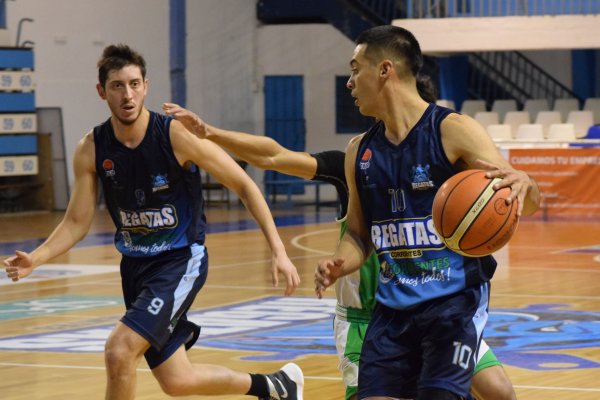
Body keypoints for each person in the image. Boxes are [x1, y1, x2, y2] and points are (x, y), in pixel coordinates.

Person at [3, 44, 304, 400]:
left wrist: (279, 250)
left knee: (119, 350)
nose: (127, 94)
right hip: (135, 268)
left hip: (180, 261)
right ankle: (276, 386)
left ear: (146, 86)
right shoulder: (92, 148)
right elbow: (76, 222)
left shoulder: (174, 135)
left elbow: (244, 185)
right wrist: (35, 259)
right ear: (102, 91)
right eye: (117, 85)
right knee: (178, 381)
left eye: (134, 84)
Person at [161, 103, 517, 400]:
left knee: (498, 391)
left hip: (432, 310)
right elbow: (273, 155)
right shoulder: (357, 162)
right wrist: (210, 133)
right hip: (367, 321)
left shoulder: (442, 171)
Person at [314, 25, 540, 400]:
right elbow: (358, 234)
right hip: (391, 313)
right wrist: (339, 262)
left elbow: (522, 200)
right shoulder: (359, 152)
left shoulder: (453, 131)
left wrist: (525, 184)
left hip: (452, 306)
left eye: (356, 69)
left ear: (385, 70)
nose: (350, 82)